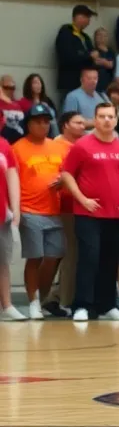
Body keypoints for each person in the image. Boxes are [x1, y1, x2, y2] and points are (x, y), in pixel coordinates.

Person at [58, 103, 119, 322]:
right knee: (89, 258)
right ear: (95, 118)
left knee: (110, 259)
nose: (106, 120)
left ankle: (107, 306)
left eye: (110, 116)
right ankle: (82, 305)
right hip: (88, 214)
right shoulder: (82, 145)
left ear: (116, 119)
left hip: (115, 214)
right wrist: (82, 199)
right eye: (101, 116)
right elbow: (66, 174)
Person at [12, 104, 70, 319]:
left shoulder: (59, 147)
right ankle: (33, 301)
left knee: (55, 255)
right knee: (35, 257)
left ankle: (43, 298)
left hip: (55, 210)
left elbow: (69, 174)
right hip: (30, 209)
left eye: (46, 121)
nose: (43, 125)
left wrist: (63, 181)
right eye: (38, 121)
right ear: (28, 124)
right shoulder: (17, 148)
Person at [0, 134, 20, 321]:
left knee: (3, 261)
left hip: (1, 213)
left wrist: (15, 207)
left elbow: (12, 174)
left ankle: (7, 305)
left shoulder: (4, 144)